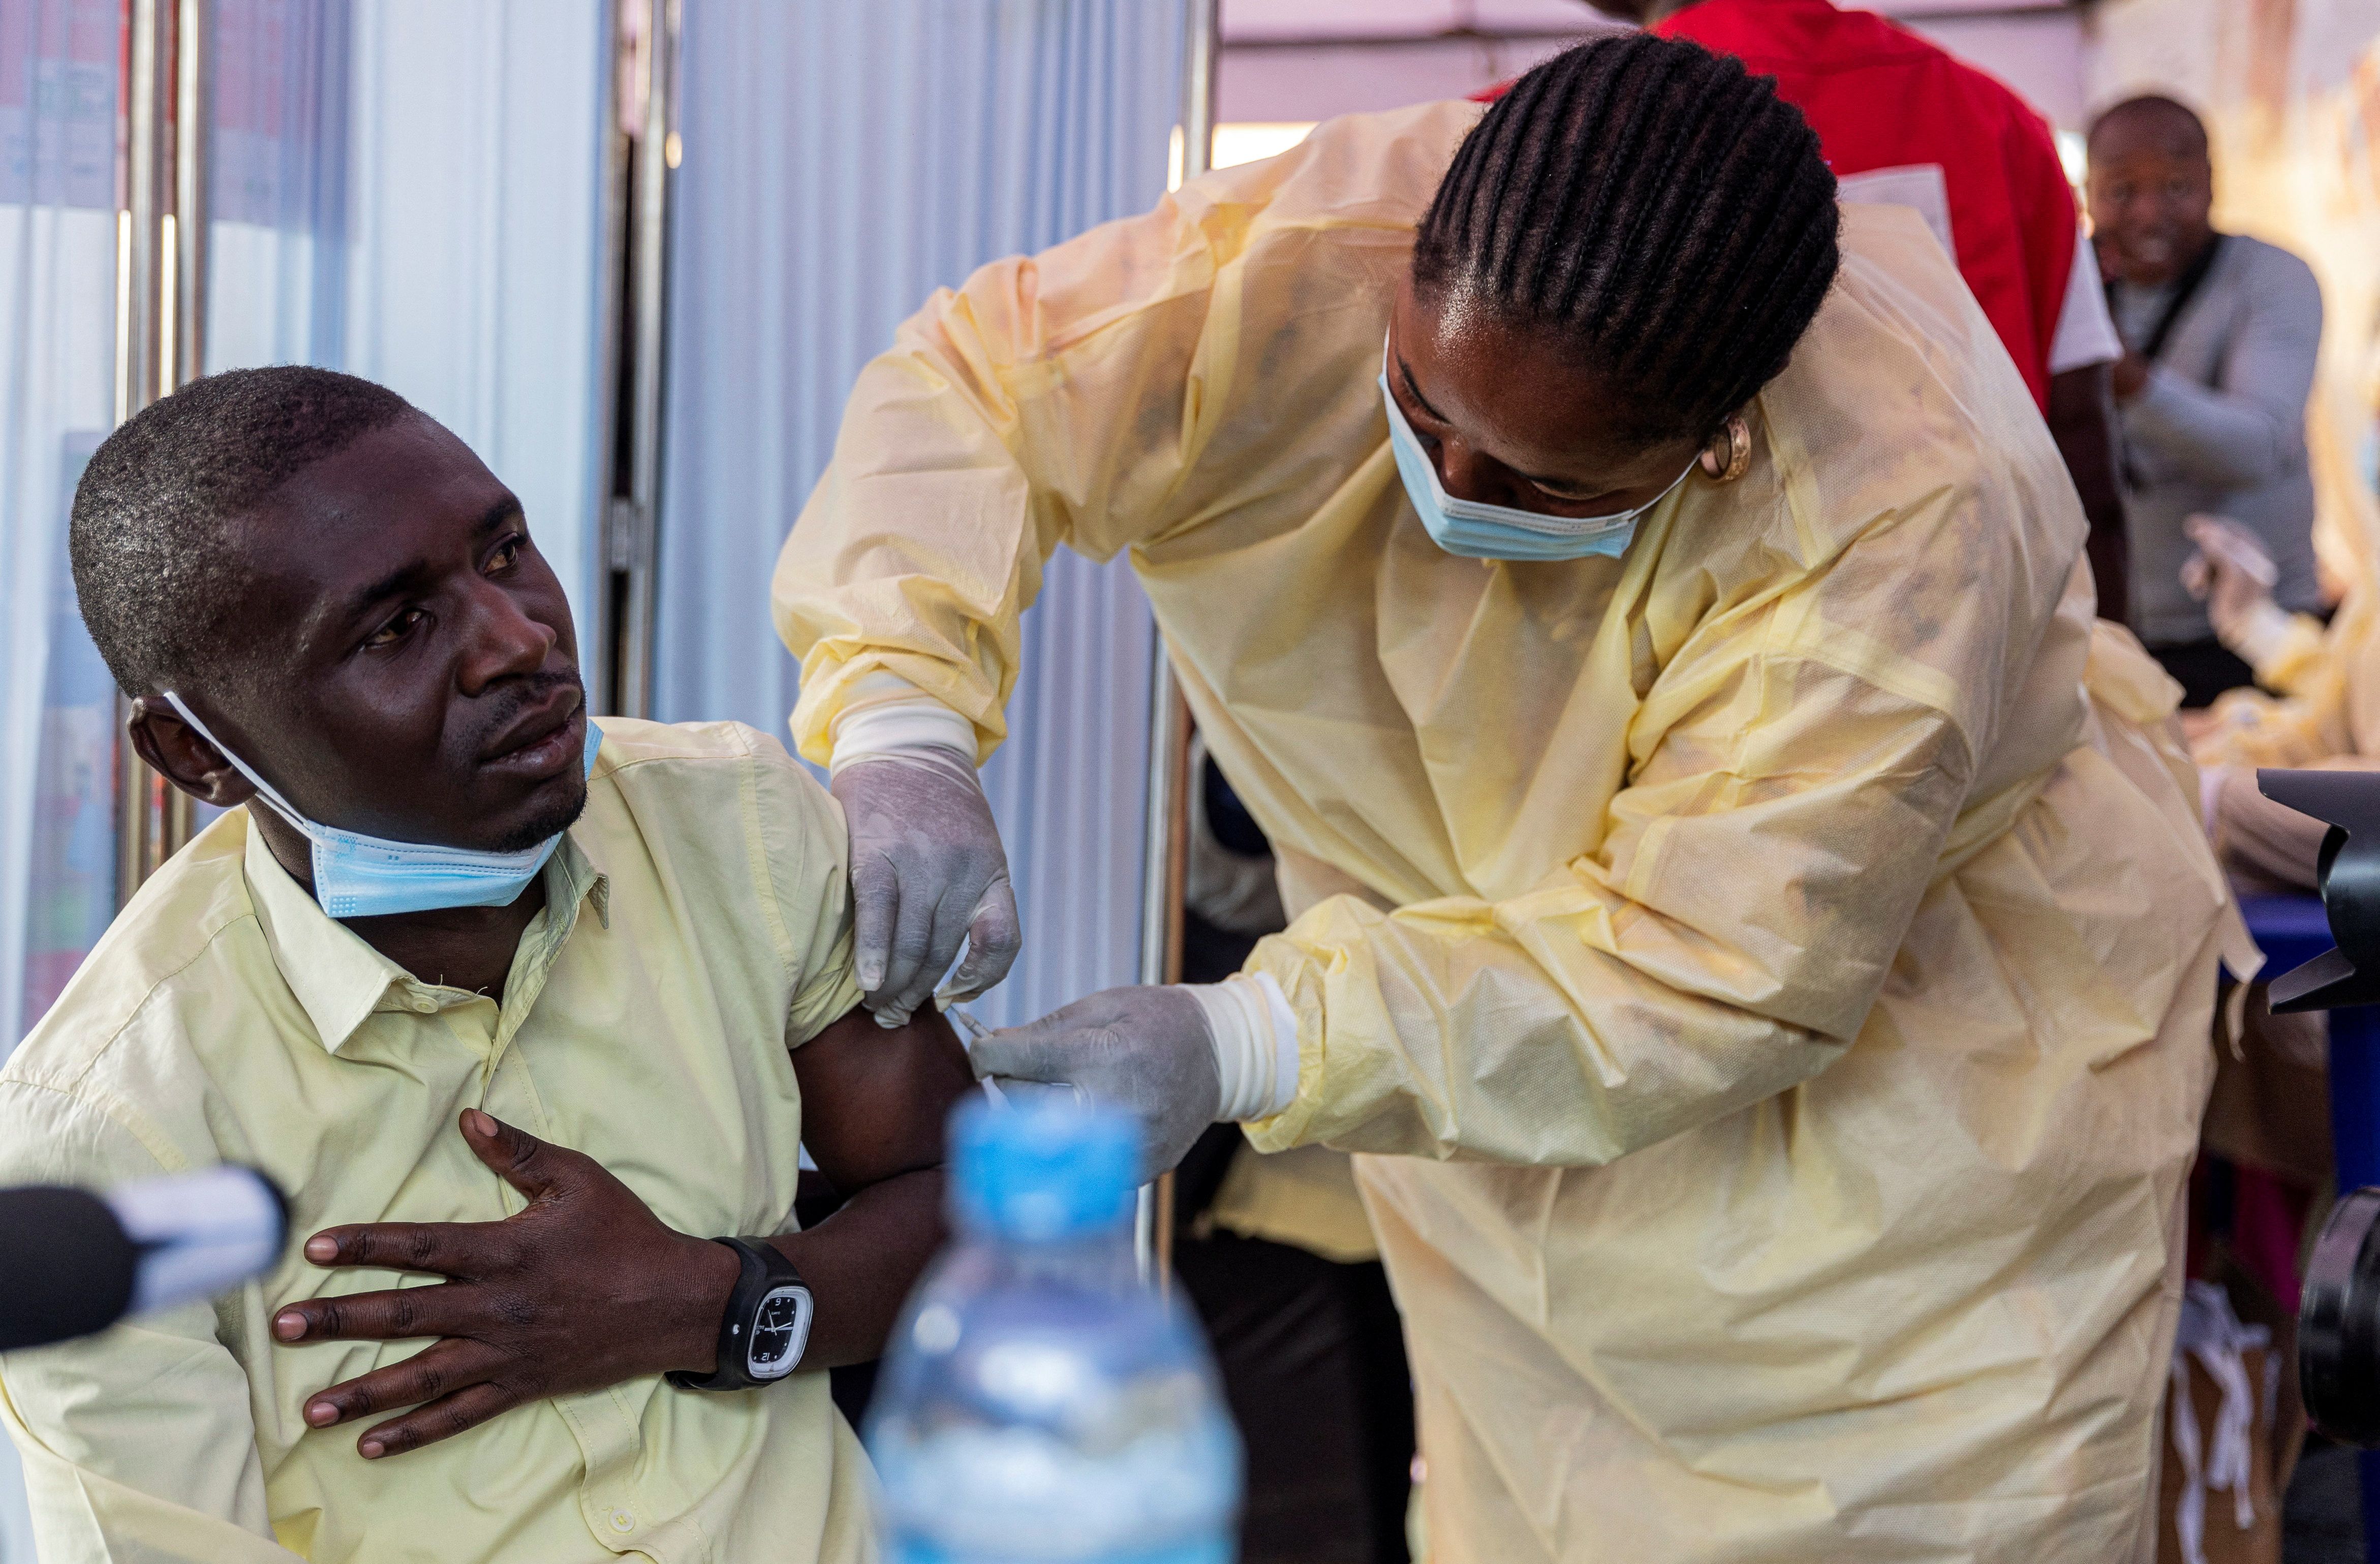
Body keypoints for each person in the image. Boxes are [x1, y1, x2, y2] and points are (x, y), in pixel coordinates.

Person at [777, 34, 2244, 1562]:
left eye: (1550, 485)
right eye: (1417, 405)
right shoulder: (1303, 252)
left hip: (1916, 1154)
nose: (1456, 494)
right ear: (1409, 261)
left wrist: (1254, 1036)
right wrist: (899, 717)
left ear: (1723, 436)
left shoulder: (1905, 508)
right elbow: (975, 393)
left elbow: (1710, 972)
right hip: (1488, 1081)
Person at [0, 366, 975, 1563]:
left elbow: (976, 1203)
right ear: (194, 749)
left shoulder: (735, 829)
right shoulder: (111, 1134)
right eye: (399, 627)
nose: (521, 641)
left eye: (505, 550)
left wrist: (711, 1304)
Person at [1583, 0, 2134, 621]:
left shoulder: (1536, 136)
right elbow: (2082, 439)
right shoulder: (2000, 127)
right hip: (1974, 639)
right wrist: (2110, 668)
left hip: (1664, 655)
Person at [2089, 94, 2326, 708]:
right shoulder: (2074, 284)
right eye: (2121, 191)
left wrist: (2126, 378)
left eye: (2175, 186)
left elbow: (2254, 449)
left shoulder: (2272, 279)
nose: (2149, 213)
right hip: (2115, 635)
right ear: (2086, 193)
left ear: (2213, 183)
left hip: (2258, 636)